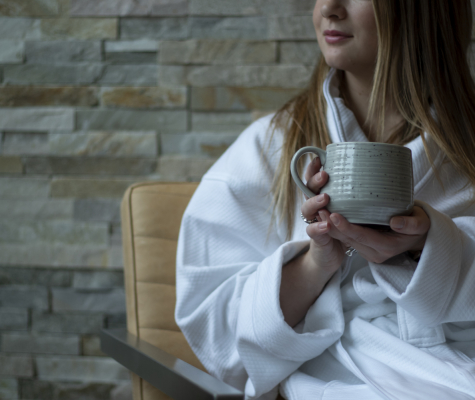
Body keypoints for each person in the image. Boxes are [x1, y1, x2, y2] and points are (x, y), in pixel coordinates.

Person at [175, 0, 475, 399]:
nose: (329, 8)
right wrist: (318, 262)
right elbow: (215, 328)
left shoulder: (464, 151)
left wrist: (430, 247)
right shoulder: (270, 150)